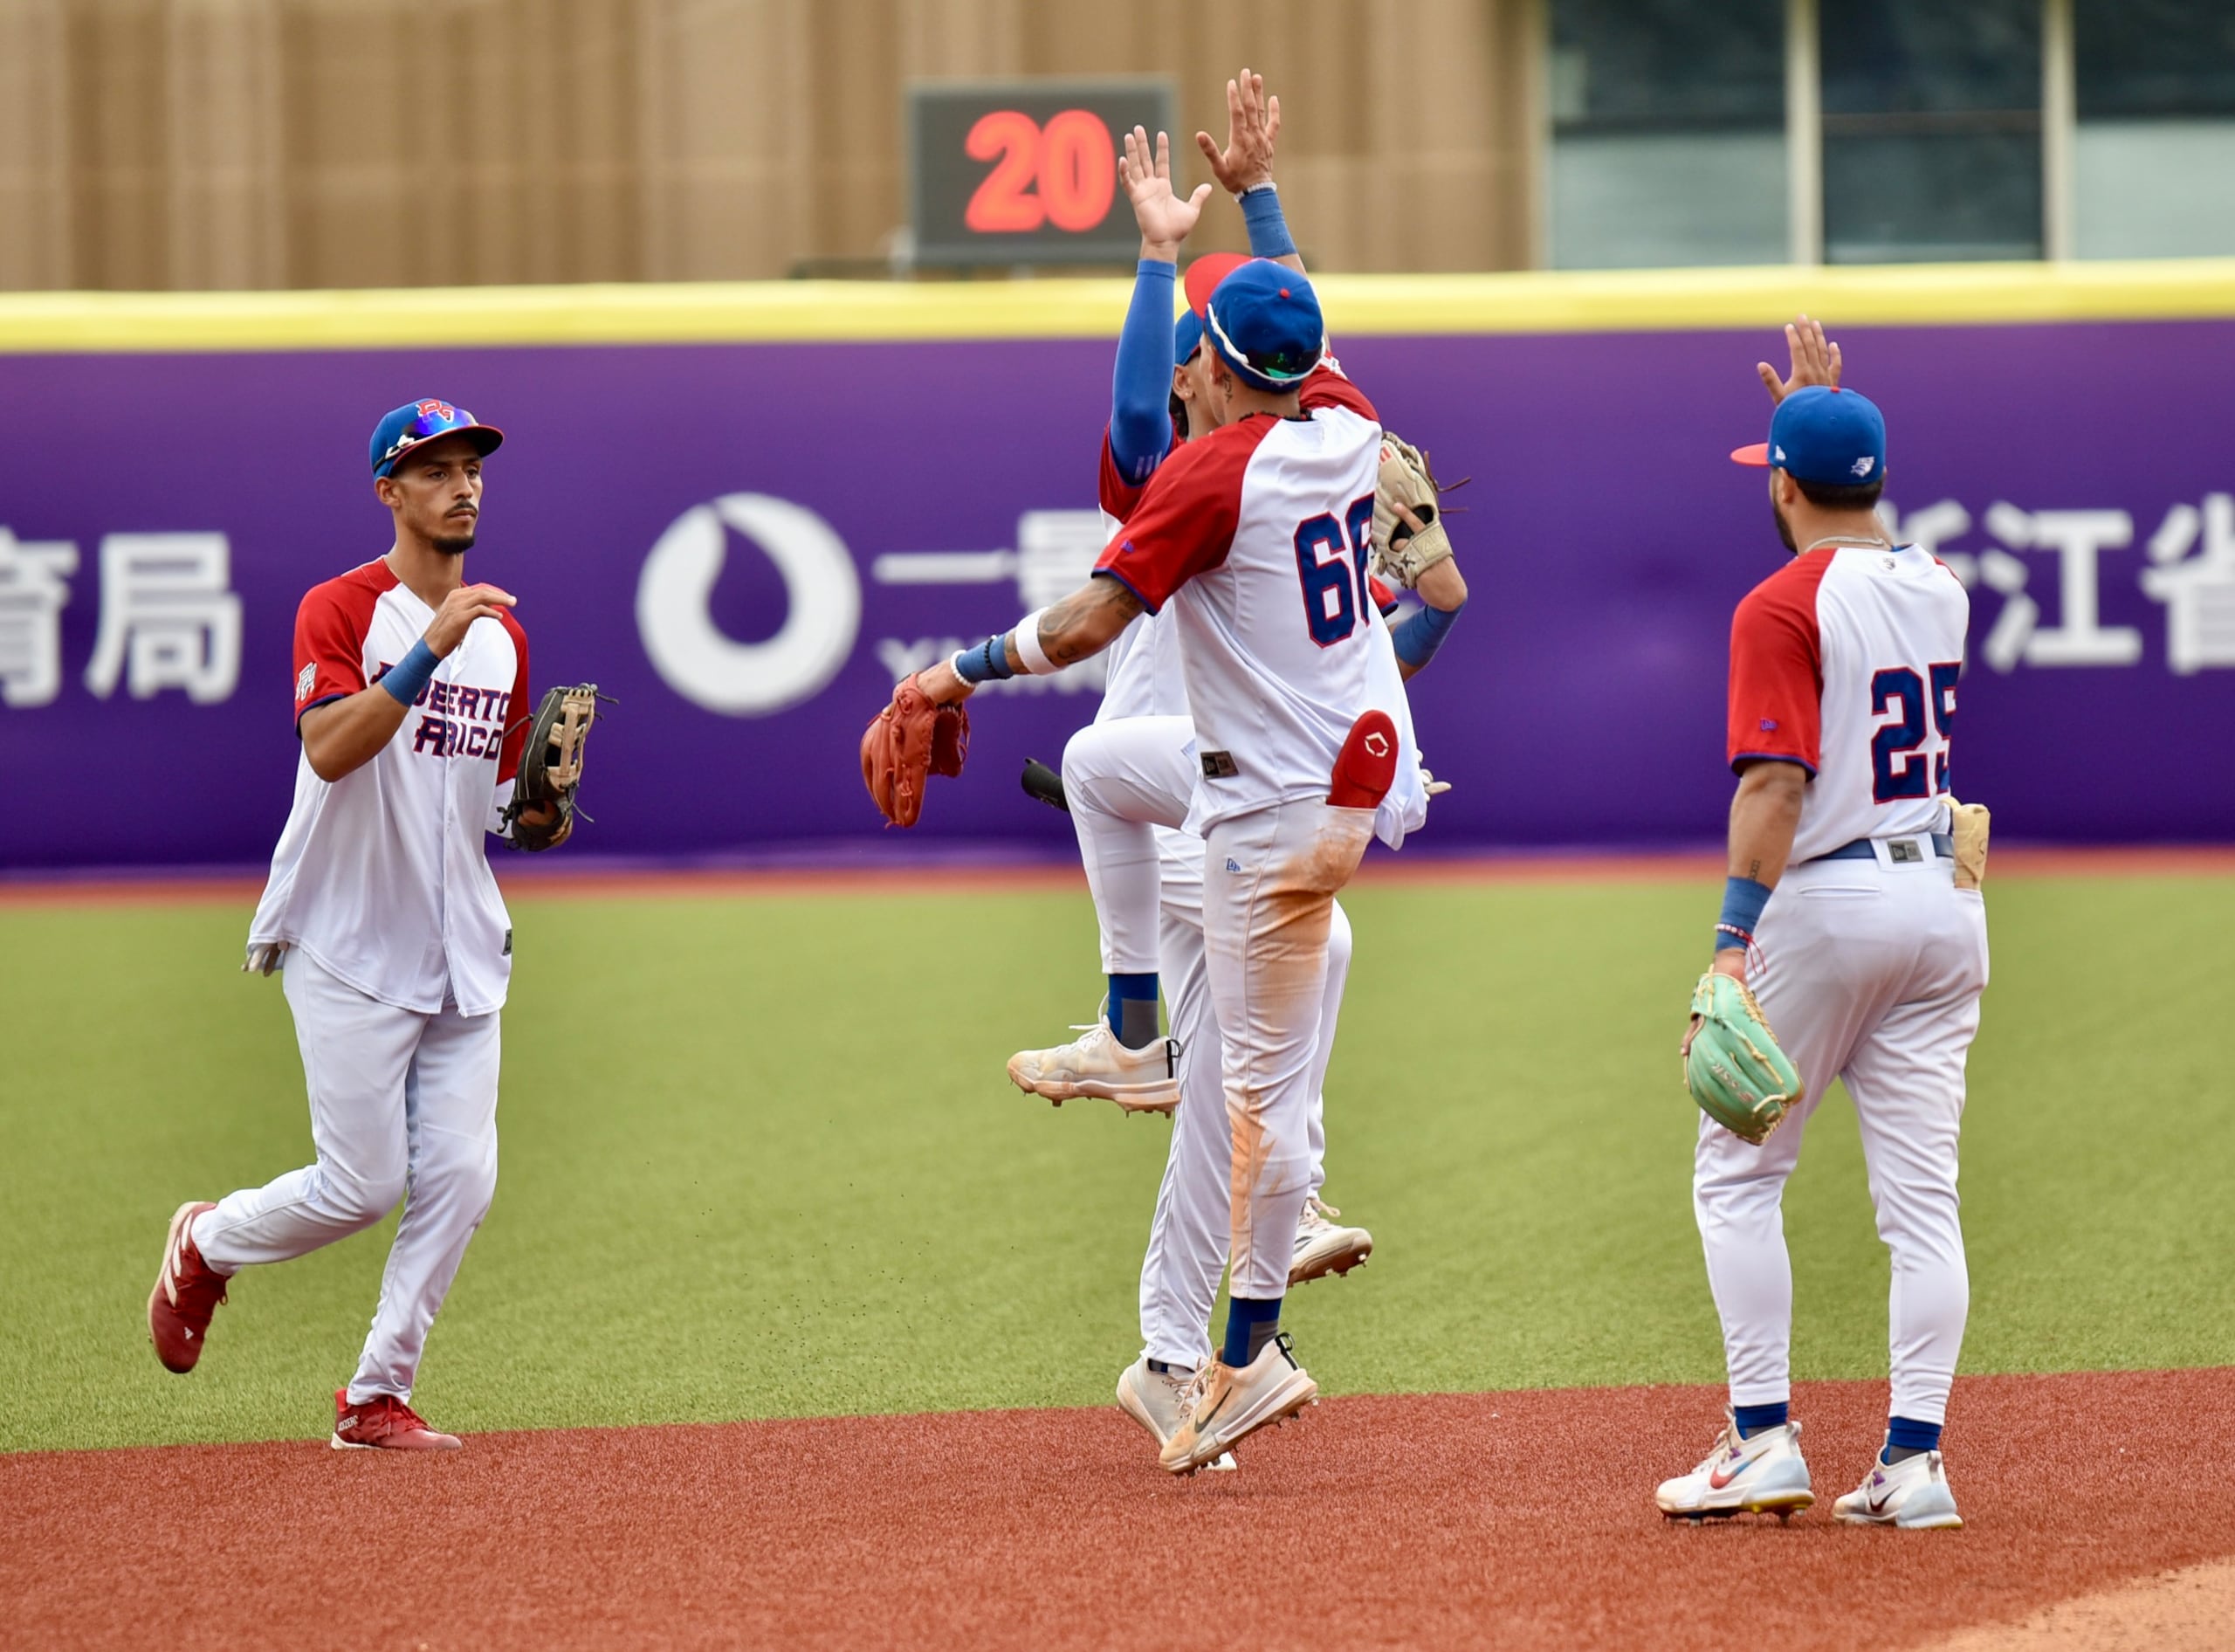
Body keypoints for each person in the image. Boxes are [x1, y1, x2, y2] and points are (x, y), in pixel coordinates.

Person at [1001, 76, 1468, 1469]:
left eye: (1201, 347)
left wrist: (1157, 260)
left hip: (1239, 810)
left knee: (1099, 774)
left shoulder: (1198, 474)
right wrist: (1256, 209)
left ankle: (1139, 1035)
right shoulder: (1329, 440)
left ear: (1214, 360)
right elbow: (1295, 345)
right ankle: (1185, 1339)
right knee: (1236, 1111)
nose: (1185, 372)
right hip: (1293, 813)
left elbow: (1161, 396)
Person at [887, 237, 1402, 1473]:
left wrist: (1207, 246)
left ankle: (1209, 1350)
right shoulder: (1272, 450)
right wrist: (1190, 248)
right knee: (1268, 937)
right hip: (1237, 797)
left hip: (1235, 809)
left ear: (1214, 370)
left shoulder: (1241, 464)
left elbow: (1088, 616)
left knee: (1234, 1094)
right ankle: (1185, 1101)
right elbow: (1221, 373)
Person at [146, 398, 569, 1451]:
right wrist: (428, 647)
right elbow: (332, 746)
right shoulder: (340, 609)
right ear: (390, 491)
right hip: (346, 941)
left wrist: (544, 803)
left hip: (462, 944)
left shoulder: (504, 635)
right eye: (433, 469)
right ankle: (207, 1241)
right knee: (362, 1184)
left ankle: (375, 1393)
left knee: (466, 1176)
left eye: (471, 466)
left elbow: (496, 816)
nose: (461, 484)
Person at [1655, 321, 1986, 1529]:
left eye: (1772, 470)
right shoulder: (1941, 588)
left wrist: (1731, 943)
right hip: (1944, 904)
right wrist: (1825, 420)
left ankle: (1761, 1441)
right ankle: (1915, 1462)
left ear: (1781, 486)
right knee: (1923, 1203)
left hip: (1832, 898)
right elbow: (1852, 517)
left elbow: (1774, 787)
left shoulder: (1777, 603)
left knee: (1737, 1175)